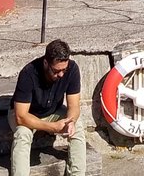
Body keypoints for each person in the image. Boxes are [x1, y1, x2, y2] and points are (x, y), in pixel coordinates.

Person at [9, 38, 87, 176]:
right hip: (27, 115)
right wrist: (52, 127)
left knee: (77, 126)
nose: (61, 74)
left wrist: (71, 121)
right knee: (22, 134)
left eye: (64, 70)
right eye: (56, 71)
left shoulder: (72, 69)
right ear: (46, 63)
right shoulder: (28, 73)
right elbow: (21, 117)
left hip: (53, 111)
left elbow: (74, 105)